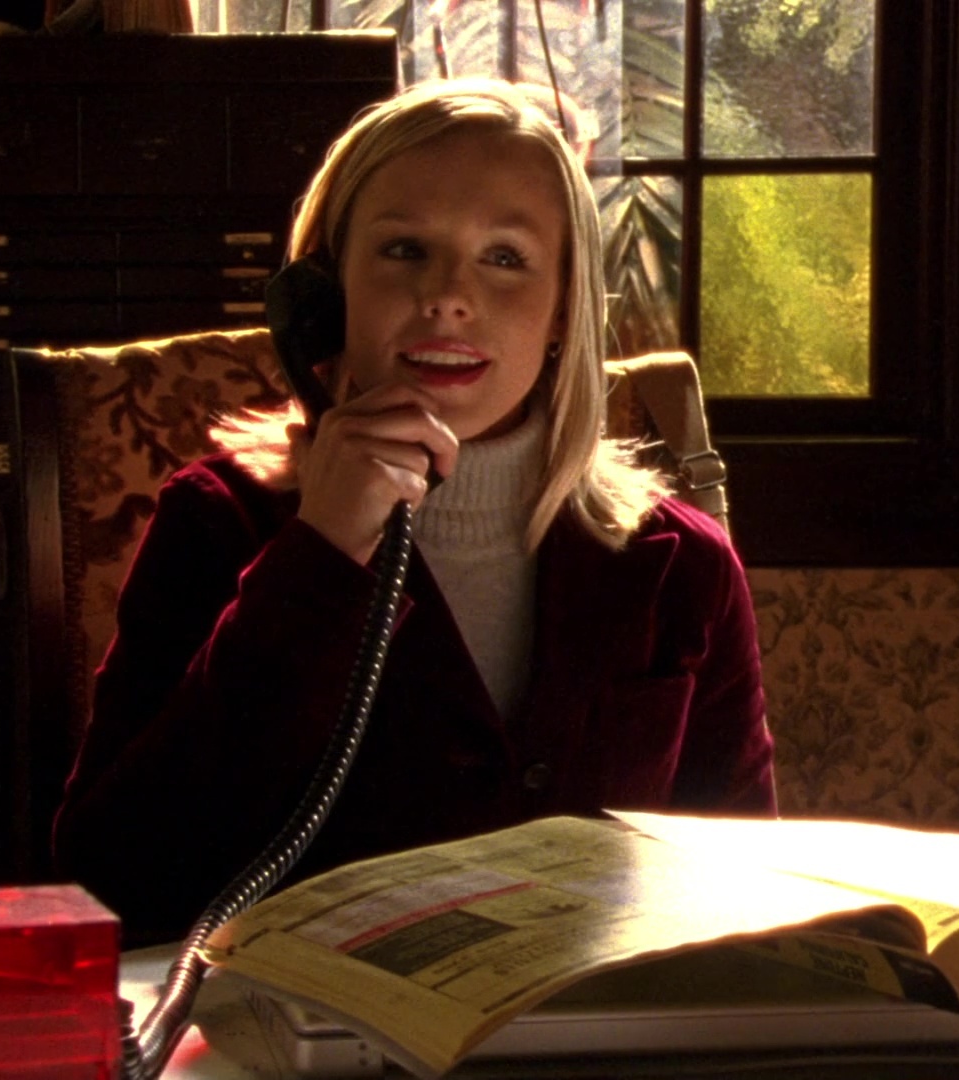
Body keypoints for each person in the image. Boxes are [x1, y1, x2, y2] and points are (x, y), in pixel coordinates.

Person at [52, 78, 775, 945]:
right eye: (404, 250)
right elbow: (113, 879)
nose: (448, 297)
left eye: (505, 258)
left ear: (564, 307)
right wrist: (321, 556)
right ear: (323, 296)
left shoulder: (682, 565)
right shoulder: (217, 523)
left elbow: (743, 891)